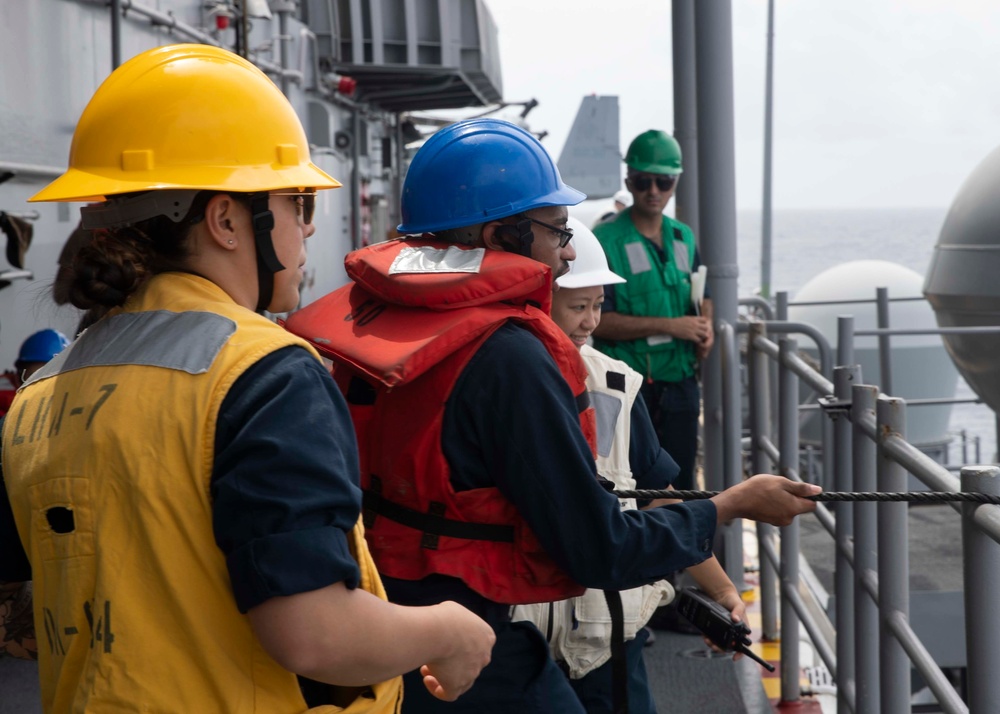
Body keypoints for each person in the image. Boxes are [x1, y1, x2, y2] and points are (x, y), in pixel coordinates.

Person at [0, 44, 494, 713]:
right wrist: (449, 630)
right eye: (296, 202)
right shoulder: (262, 373)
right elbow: (315, 633)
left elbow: (28, 617)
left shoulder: (42, 392)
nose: (304, 229)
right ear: (228, 220)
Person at [283, 117, 820, 714]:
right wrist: (731, 504)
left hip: (384, 620)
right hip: (466, 646)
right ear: (503, 234)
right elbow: (599, 547)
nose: (566, 248)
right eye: (556, 229)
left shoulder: (381, 320)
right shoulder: (508, 358)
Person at [513, 219, 747, 713]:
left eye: (598, 305)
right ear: (534, 301)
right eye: (578, 306)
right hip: (520, 644)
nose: (591, 322)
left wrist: (722, 589)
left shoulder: (618, 384)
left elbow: (662, 497)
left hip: (610, 635)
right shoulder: (501, 384)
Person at [592, 129, 711, 494]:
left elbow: (702, 290)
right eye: (644, 181)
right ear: (629, 180)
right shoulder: (605, 241)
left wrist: (706, 327)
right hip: (628, 390)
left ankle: (689, 550)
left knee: (685, 487)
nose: (654, 190)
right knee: (629, 488)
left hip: (679, 384)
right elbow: (600, 321)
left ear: (675, 181)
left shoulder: (683, 237)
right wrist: (675, 327)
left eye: (664, 181)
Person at [0, 330, 70, 417]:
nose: (40, 386)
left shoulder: (70, 403)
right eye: (33, 378)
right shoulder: (4, 401)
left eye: (50, 379)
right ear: (19, 373)